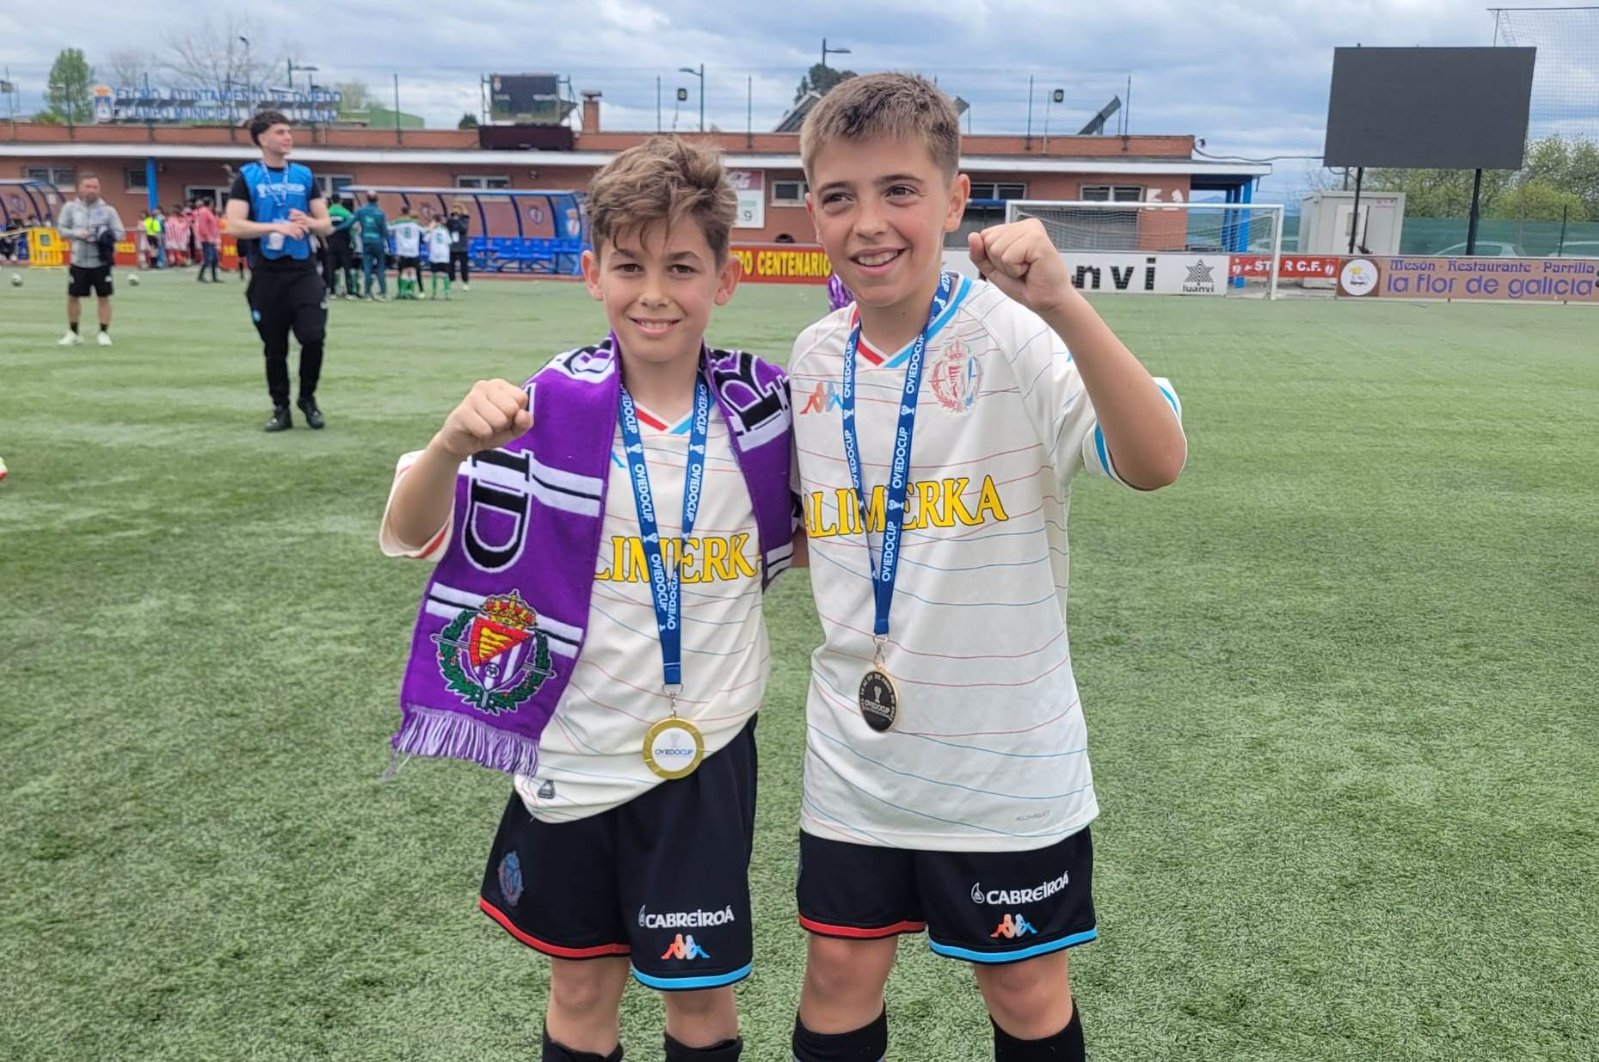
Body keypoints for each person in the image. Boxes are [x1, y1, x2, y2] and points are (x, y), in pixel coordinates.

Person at [786, 74, 1187, 1062]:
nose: (869, 223)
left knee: (1021, 986)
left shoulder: (1020, 335)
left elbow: (1156, 460)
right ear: (813, 212)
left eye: (899, 192)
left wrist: (1062, 302)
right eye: (839, 197)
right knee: (838, 974)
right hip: (856, 759)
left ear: (956, 200)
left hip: (1005, 763)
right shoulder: (808, 359)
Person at [379, 136, 796, 1062]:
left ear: (724, 280)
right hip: (570, 752)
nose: (654, 291)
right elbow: (411, 531)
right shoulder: (539, 410)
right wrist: (450, 445)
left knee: (700, 999)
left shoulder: (765, 415)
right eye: (629, 265)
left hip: (707, 752)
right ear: (591, 274)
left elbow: (828, 530)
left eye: (682, 266)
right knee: (579, 986)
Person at [225, 110, 336, 433]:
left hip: (303, 271)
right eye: (280, 132)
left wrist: (309, 224)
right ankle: (281, 407)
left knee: (313, 336)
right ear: (262, 139)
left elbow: (326, 225)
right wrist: (276, 227)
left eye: (289, 131)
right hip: (267, 274)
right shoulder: (247, 177)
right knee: (275, 348)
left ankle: (308, 398)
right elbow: (234, 225)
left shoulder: (303, 175)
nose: (287, 137)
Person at [56, 172, 126, 347]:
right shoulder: (70, 208)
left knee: (104, 297)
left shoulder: (108, 211)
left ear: (100, 189)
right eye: (88, 186)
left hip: (100, 262)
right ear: (80, 188)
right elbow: (62, 230)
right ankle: (73, 332)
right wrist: (77, 234)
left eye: (95, 187)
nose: (91, 190)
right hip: (78, 261)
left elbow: (120, 234)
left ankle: (103, 332)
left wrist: (103, 235)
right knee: (73, 296)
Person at [353, 192, 389, 300]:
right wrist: (389, 245)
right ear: (377, 199)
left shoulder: (361, 210)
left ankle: (367, 293)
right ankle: (383, 293)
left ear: (367, 199)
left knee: (367, 268)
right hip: (378, 242)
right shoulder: (380, 212)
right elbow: (384, 230)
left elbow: (352, 224)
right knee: (380, 268)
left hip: (366, 242)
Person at [324, 195, 358, 299]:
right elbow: (355, 226)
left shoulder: (327, 212)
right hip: (344, 244)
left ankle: (333, 292)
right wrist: (354, 242)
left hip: (330, 243)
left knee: (331, 268)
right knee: (347, 268)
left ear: (331, 201)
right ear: (341, 201)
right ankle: (349, 292)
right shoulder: (346, 212)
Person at [390, 204, 423, 299]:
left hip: (402, 251)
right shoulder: (416, 223)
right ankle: (411, 292)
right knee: (412, 271)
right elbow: (425, 230)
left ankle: (402, 292)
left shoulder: (397, 222)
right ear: (409, 212)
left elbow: (387, 227)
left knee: (403, 271)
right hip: (413, 251)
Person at [193, 198, 223, 282]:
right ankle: (200, 276)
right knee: (208, 258)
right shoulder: (204, 212)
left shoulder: (207, 212)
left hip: (212, 238)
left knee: (214, 258)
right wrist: (206, 236)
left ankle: (214, 277)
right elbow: (203, 225)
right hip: (207, 239)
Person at [425, 213, 453, 300]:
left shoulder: (432, 229)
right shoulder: (445, 230)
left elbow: (425, 239)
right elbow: (449, 241)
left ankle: (434, 293)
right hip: (444, 254)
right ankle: (447, 293)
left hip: (434, 253)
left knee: (434, 274)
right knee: (445, 274)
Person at [447, 199, 472, 290]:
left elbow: (464, 229)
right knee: (450, 265)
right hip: (452, 245)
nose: (455, 210)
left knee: (463, 265)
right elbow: (447, 227)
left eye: (457, 209)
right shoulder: (450, 218)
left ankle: (465, 282)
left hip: (462, 246)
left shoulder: (465, 218)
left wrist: (457, 220)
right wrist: (452, 219)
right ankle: (451, 281)